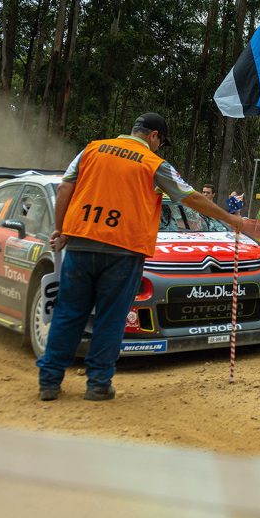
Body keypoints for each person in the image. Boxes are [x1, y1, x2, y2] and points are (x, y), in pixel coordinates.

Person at [37, 113, 243, 402]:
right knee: (110, 319)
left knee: (69, 313)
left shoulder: (91, 149)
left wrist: (61, 229)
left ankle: (49, 382)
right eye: (161, 142)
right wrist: (230, 219)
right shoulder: (153, 163)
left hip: (81, 244)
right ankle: (97, 384)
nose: (159, 148)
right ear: (154, 136)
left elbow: (65, 187)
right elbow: (191, 197)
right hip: (124, 251)